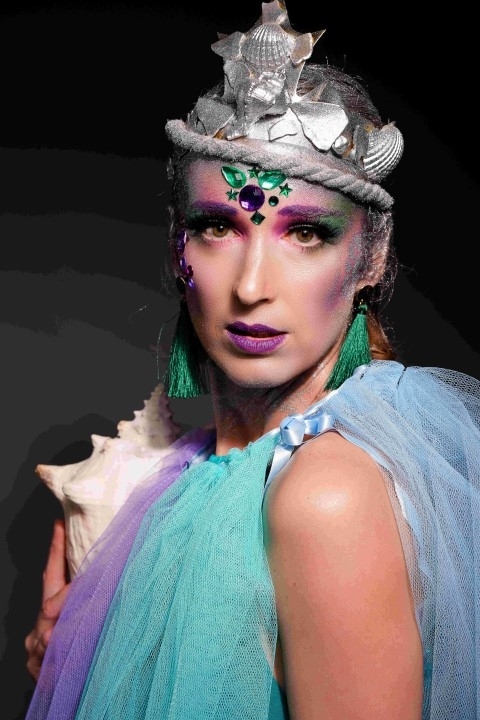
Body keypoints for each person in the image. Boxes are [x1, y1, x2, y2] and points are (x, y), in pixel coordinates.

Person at [23, 1, 480, 718]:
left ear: (371, 258)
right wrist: (75, 655)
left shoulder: (325, 496)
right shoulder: (191, 475)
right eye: (217, 227)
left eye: (307, 234)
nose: (251, 287)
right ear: (176, 246)